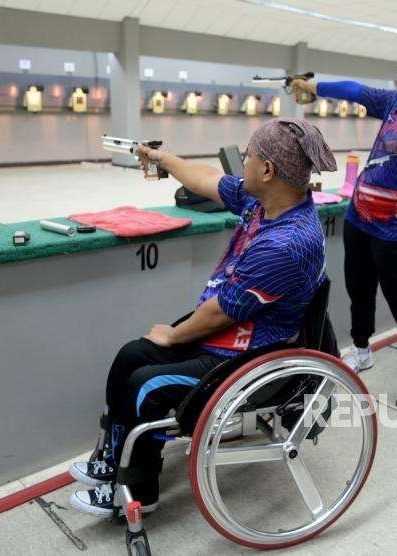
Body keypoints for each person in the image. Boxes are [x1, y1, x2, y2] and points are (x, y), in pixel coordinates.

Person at [68, 118, 336, 517]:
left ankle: (138, 490)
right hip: (233, 334)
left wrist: (174, 336)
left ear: (267, 170)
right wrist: (161, 158)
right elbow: (206, 178)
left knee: (147, 384)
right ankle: (115, 455)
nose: (241, 164)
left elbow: (221, 311)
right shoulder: (263, 201)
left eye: (248, 157)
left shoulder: (288, 243)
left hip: (249, 358)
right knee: (131, 355)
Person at [291, 40, 397, 410]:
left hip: (396, 228)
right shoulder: (396, 103)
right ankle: (363, 348)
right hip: (360, 217)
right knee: (360, 287)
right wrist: (312, 86)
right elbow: (355, 91)